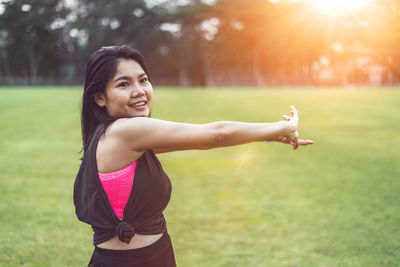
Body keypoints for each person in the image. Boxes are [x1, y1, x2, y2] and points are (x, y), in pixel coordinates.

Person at [73, 45, 314, 267]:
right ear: (100, 98)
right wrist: (283, 126)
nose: (139, 91)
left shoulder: (111, 136)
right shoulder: (127, 131)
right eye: (123, 84)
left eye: (143, 80)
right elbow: (215, 135)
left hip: (153, 257)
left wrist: (266, 136)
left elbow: (200, 142)